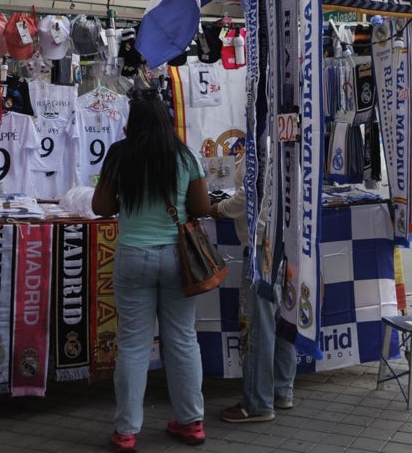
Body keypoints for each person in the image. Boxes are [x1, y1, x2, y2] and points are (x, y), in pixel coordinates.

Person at [92, 96, 212, 453]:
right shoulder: (185, 156)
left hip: (133, 255)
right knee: (182, 340)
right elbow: (202, 207)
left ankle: (126, 431)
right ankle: (190, 422)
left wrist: (125, 200)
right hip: (178, 258)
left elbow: (100, 207)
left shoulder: (119, 154)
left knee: (132, 344)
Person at [213, 165, 296, 423]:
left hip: (264, 246)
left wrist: (219, 209)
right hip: (285, 241)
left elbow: (251, 193)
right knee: (283, 320)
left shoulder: (263, 143)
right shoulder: (284, 138)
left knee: (259, 327)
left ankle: (258, 403)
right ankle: (281, 391)